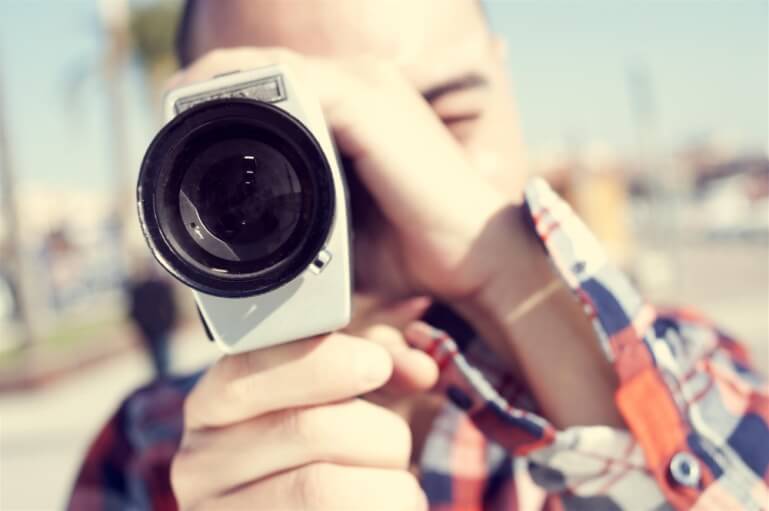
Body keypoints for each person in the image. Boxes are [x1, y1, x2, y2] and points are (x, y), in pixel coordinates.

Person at [68, 1, 769, 509]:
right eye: (297, 143)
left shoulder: (694, 372)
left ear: (507, 87)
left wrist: (504, 269)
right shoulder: (147, 446)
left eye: (444, 120)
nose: (379, 180)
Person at [127, 261, 178, 379]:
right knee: (158, 357)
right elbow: (134, 312)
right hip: (150, 329)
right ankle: (164, 380)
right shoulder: (138, 289)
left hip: (159, 327)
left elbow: (169, 306)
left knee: (162, 356)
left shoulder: (157, 286)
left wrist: (169, 321)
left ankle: (165, 380)